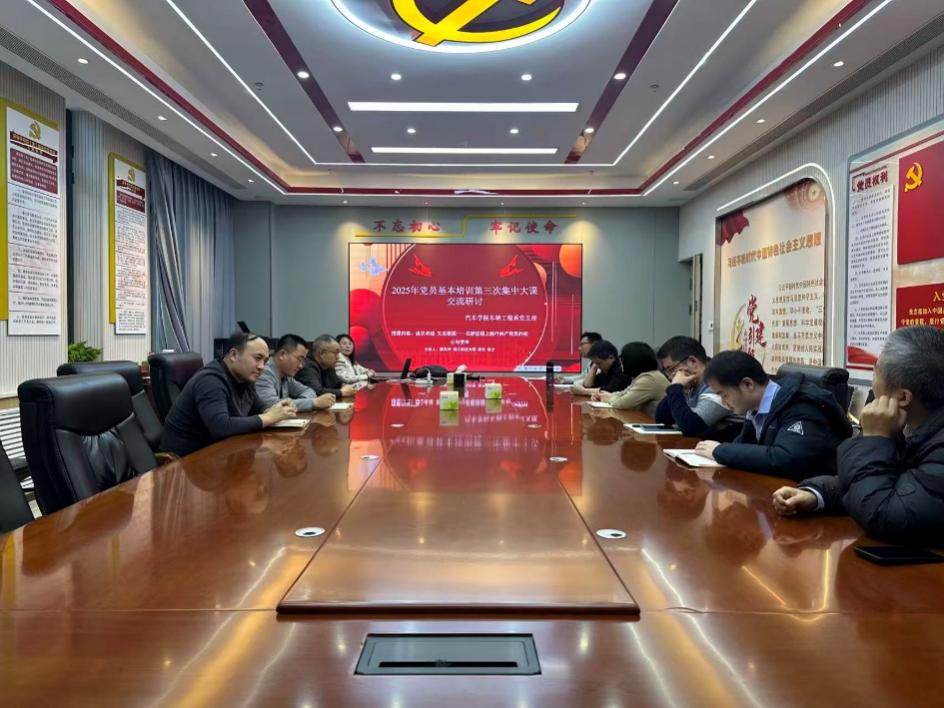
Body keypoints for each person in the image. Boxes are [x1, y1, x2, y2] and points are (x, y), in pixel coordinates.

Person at [773, 326, 944, 542]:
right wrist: (818, 494)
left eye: (876, 370)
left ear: (903, 397)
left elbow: (883, 514)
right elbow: (882, 479)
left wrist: (874, 440)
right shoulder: (909, 422)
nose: (873, 377)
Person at [692, 350, 852, 478]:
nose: (723, 401)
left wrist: (719, 450)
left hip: (811, 496)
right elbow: (743, 446)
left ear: (748, 384)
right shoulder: (755, 408)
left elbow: (786, 459)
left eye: (724, 395)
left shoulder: (800, 405)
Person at [160, 331, 296, 457]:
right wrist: (269, 417)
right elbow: (221, 427)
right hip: (185, 461)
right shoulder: (210, 380)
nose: (261, 366)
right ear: (233, 355)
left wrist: (277, 409)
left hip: (217, 452)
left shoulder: (245, 379)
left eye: (265, 361)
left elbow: (259, 407)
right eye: (257, 358)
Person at [654, 336, 742, 440]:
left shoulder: (716, 383)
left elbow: (691, 426)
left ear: (692, 361)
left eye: (671, 369)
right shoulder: (690, 384)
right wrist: (677, 388)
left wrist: (675, 387)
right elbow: (662, 418)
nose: (670, 376)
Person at [256, 333, 335, 411]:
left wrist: (299, 403)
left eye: (303, 361)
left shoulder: (286, 375)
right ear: (282, 354)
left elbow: (309, 391)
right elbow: (271, 405)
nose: (301, 366)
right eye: (299, 359)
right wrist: (313, 403)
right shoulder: (263, 372)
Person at [593, 341, 668, 416]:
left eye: (622, 360)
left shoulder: (649, 379)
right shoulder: (642, 376)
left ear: (631, 361)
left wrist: (607, 398)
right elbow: (624, 393)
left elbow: (623, 403)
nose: (620, 363)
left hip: (655, 422)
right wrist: (603, 395)